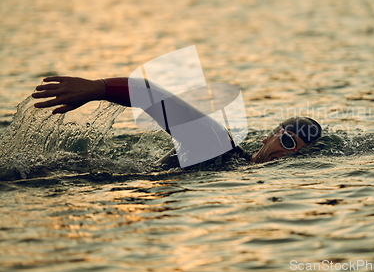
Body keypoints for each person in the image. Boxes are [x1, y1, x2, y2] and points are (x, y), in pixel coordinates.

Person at [31, 76, 322, 165]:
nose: (287, 153)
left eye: (298, 153)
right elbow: (151, 94)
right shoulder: (218, 144)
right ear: (269, 137)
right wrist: (97, 89)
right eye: (287, 141)